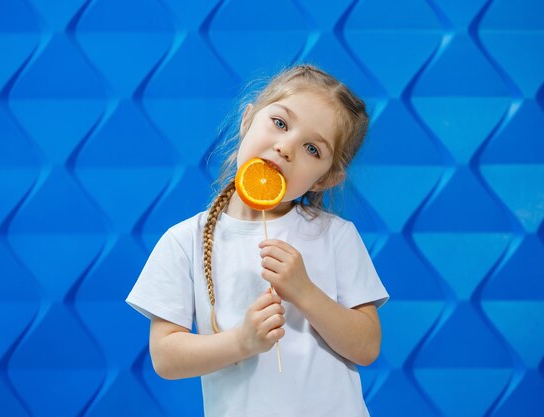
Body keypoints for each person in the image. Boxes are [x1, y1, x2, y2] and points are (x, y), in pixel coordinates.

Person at [125, 63, 390, 417]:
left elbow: (367, 346)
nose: (286, 148)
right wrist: (242, 341)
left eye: (313, 149)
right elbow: (165, 357)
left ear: (325, 179)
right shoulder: (184, 241)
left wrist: (305, 291)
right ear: (247, 120)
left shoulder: (336, 236)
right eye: (280, 123)